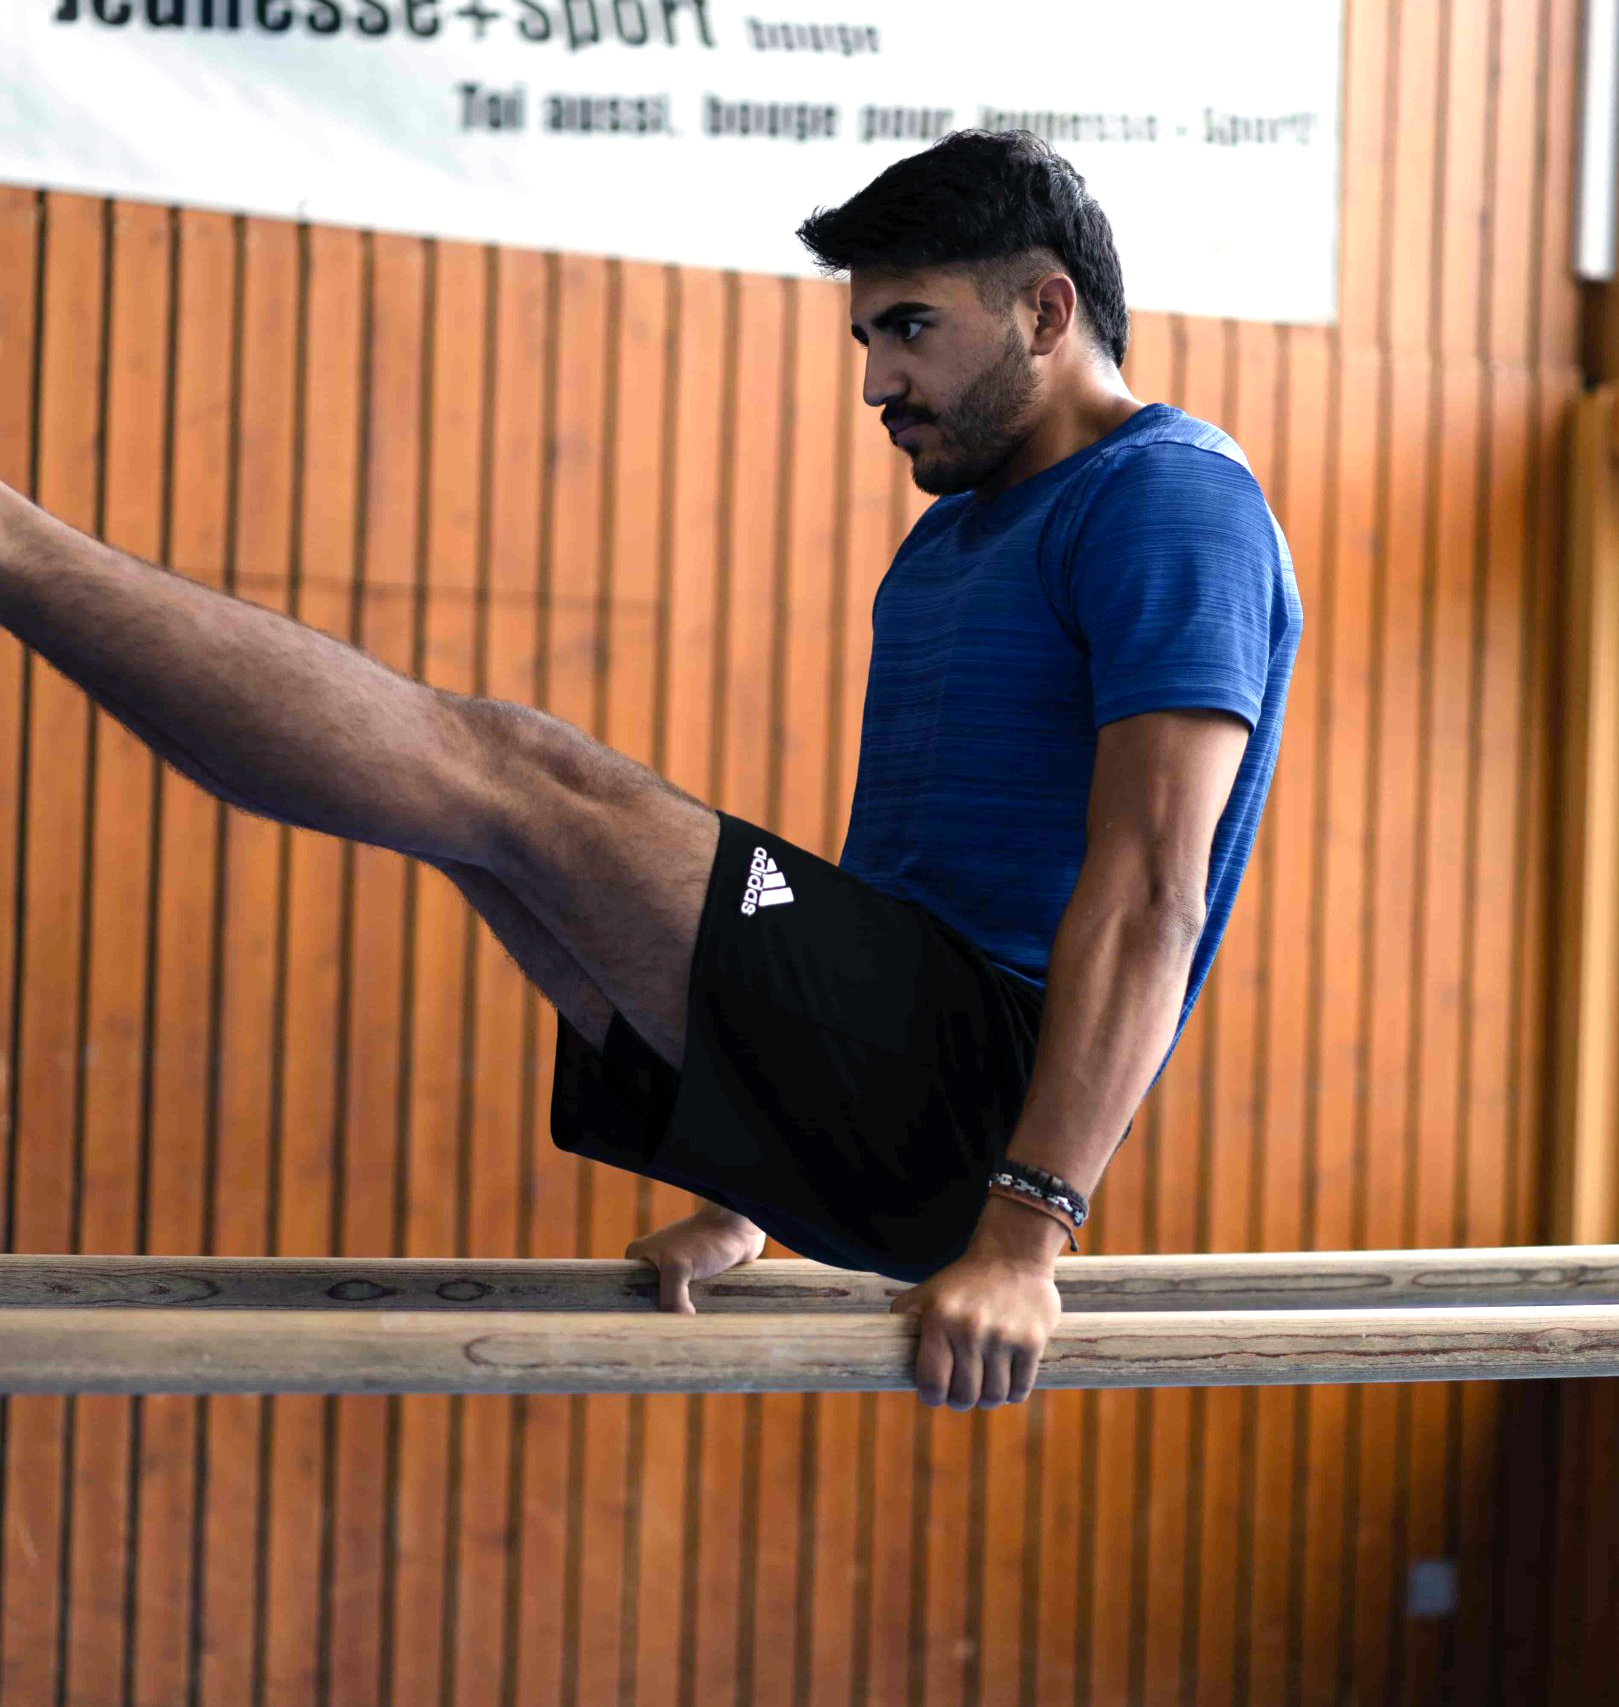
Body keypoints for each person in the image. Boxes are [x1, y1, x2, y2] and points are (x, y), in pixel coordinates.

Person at [0, 130, 1301, 1413]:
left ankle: (19, 551)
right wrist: (754, 1182)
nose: (877, 383)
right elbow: (884, 907)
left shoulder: (1168, 500)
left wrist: (1028, 1236)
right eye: (866, 342)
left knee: (514, 772)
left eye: (910, 328)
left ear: (1045, 310)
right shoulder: (954, 539)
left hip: (992, 1119)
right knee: (481, 824)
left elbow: (1150, 896)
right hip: (899, 1082)